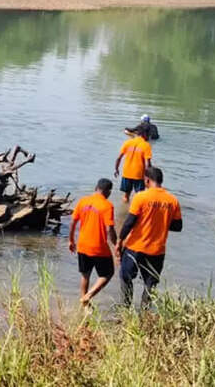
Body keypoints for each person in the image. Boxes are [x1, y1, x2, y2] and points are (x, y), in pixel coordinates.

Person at [116, 166, 182, 309]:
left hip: (135, 247)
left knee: (125, 277)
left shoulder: (141, 197)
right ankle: (145, 313)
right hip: (157, 250)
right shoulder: (172, 200)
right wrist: (161, 222)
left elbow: (129, 222)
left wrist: (120, 240)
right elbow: (178, 226)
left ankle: (125, 309)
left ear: (146, 180)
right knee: (150, 283)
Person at [69, 178, 118, 306]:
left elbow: (73, 222)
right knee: (107, 274)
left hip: (82, 245)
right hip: (99, 248)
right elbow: (110, 229)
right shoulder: (107, 206)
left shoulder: (83, 201)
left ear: (96, 188)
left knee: (85, 275)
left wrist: (71, 240)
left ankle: (84, 305)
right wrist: (116, 245)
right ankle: (88, 296)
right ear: (108, 192)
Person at [115, 126, 153, 203]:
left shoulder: (127, 143)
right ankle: (136, 212)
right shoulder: (146, 145)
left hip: (126, 173)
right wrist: (148, 177)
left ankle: (124, 212)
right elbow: (147, 164)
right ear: (145, 134)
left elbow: (119, 158)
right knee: (139, 196)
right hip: (139, 175)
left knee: (126, 195)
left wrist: (116, 169)